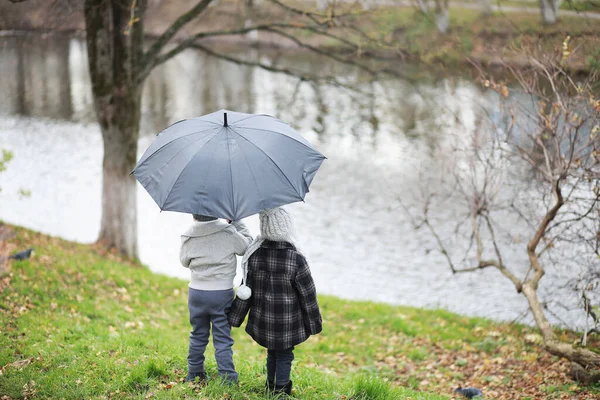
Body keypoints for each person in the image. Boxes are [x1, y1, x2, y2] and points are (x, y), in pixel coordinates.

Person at [228, 207, 322, 396]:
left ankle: (270, 386)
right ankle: (280, 391)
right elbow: (308, 294)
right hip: (288, 323)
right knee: (285, 354)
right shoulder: (295, 258)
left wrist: (234, 317)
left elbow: (245, 290)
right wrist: (314, 324)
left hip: (265, 321)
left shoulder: (254, 256)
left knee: (272, 352)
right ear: (287, 228)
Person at [179, 214, 253, 384]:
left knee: (198, 334)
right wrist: (237, 221)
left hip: (197, 293)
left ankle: (194, 373)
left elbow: (184, 261)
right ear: (218, 211)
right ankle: (227, 377)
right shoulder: (228, 232)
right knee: (222, 337)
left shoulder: (188, 235)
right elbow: (247, 247)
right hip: (221, 293)